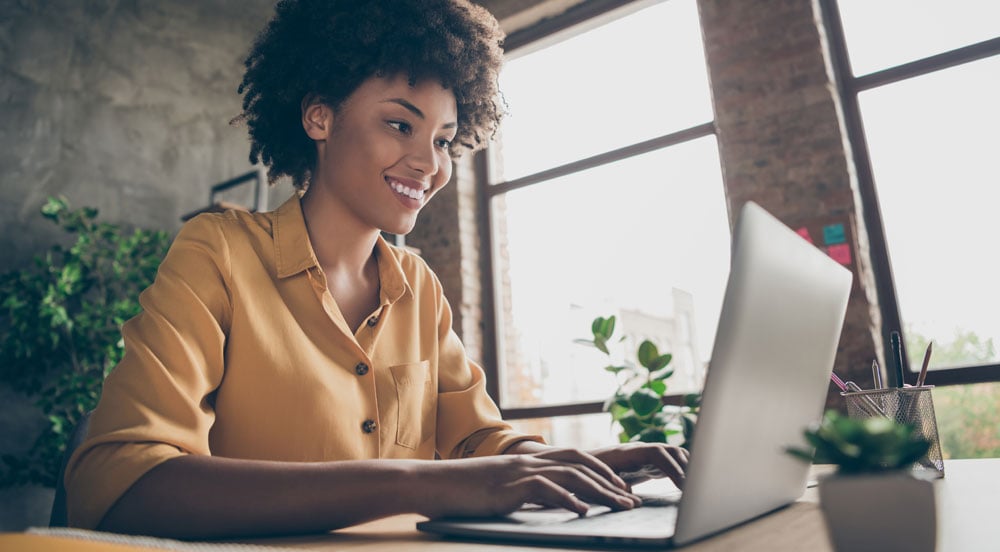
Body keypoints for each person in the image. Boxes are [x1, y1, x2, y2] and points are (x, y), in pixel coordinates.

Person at [65, 0, 688, 539]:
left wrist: (582, 465)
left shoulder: (418, 287)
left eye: (443, 139)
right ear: (319, 118)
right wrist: (413, 482)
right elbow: (121, 486)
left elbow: (478, 441)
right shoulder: (219, 253)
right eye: (400, 124)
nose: (429, 164)